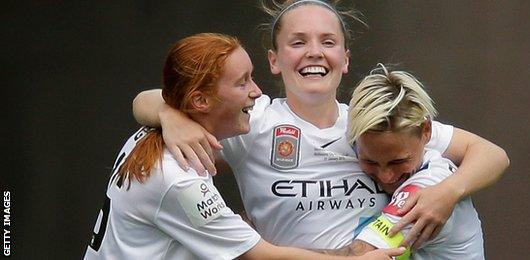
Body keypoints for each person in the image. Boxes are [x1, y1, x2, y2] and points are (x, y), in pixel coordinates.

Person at [132, 0, 509, 250]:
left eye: (327, 42)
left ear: (345, 59)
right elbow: (144, 99)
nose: (314, 51)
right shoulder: (252, 123)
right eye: (298, 42)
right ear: (274, 60)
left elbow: (491, 154)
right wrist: (171, 116)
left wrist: (449, 191)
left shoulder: (372, 125)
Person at [84, 33, 403, 260]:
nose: (257, 91)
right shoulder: (178, 178)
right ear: (200, 100)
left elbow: (146, 102)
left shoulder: (153, 133)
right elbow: (258, 256)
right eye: (242, 82)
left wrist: (169, 113)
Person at [342, 64, 485, 259]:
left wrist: (284, 253)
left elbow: (357, 255)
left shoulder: (427, 189)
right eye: (370, 161)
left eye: (397, 162)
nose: (386, 176)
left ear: (426, 131)